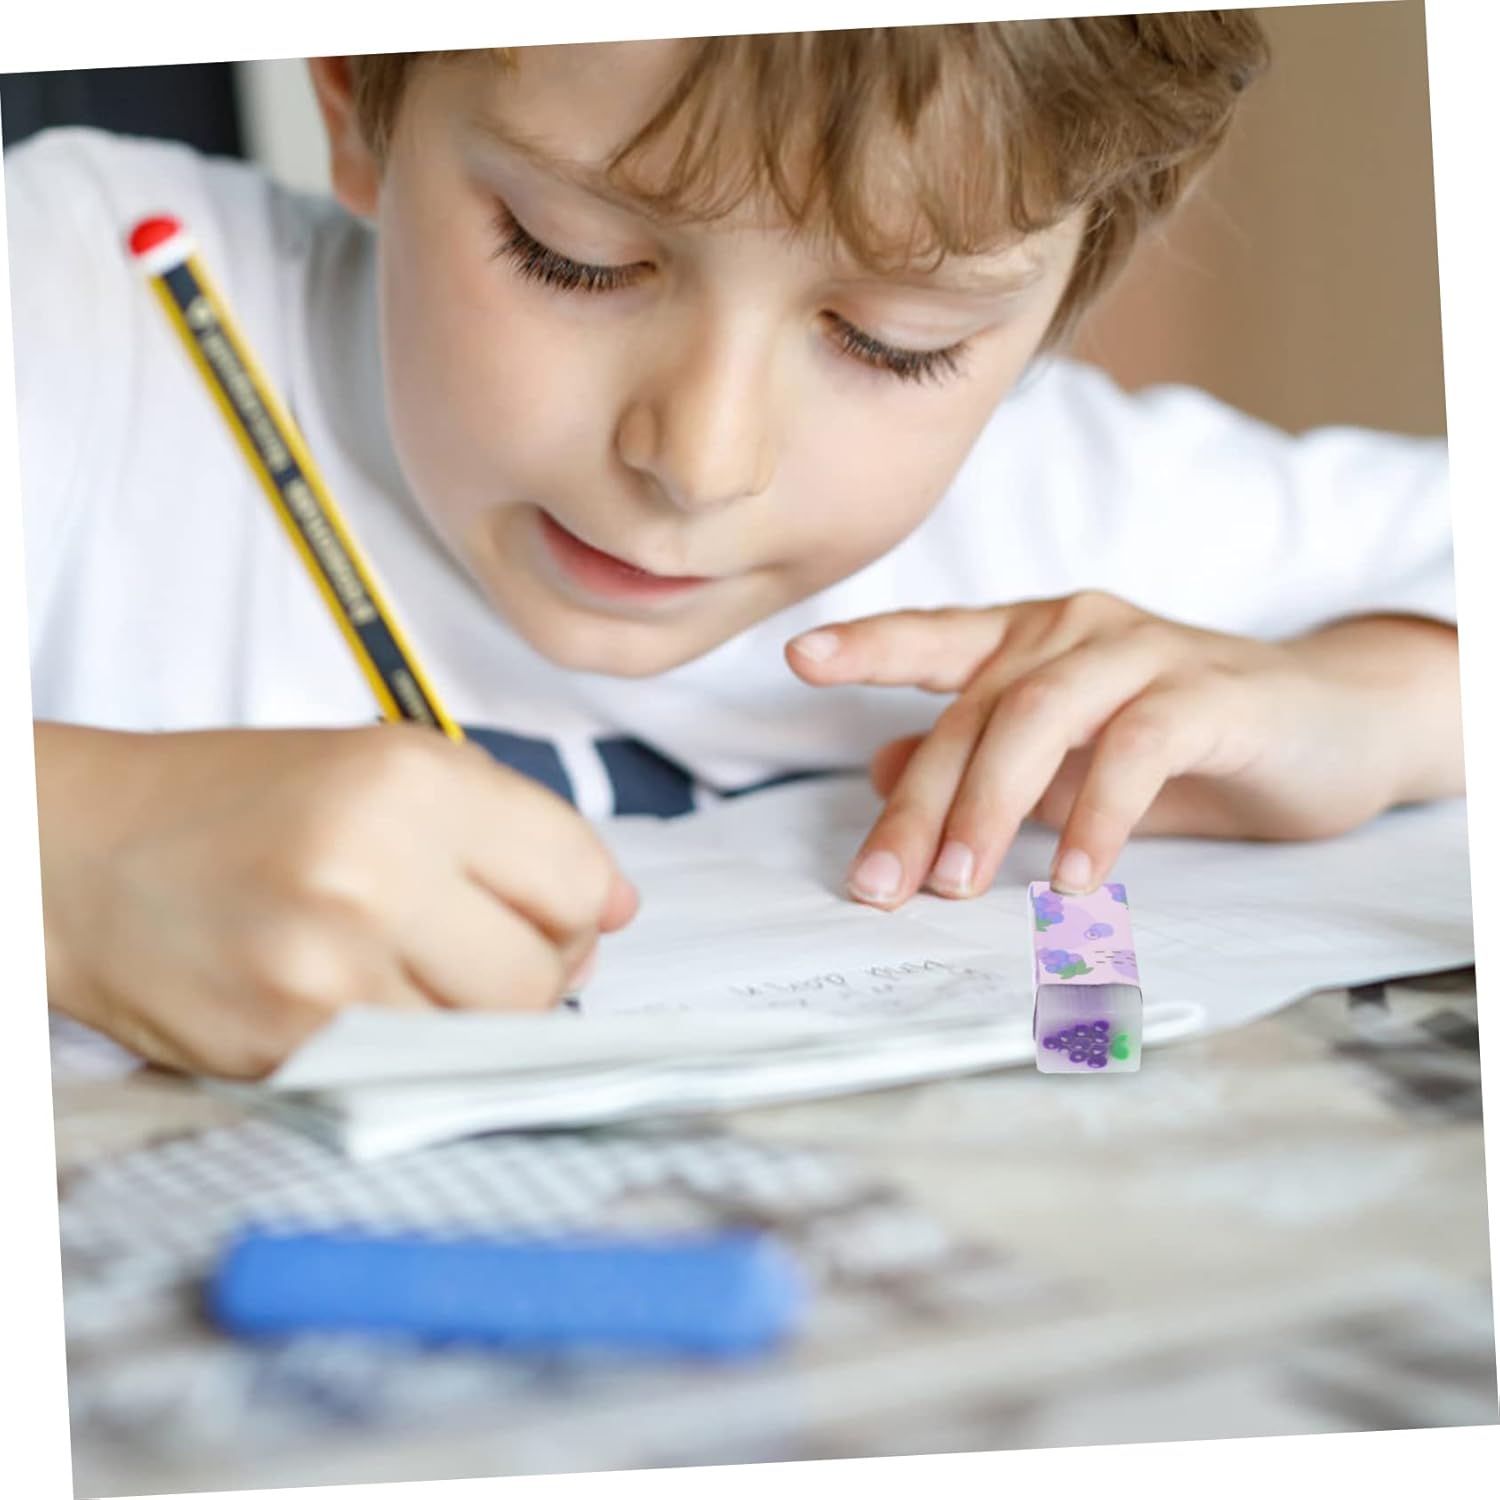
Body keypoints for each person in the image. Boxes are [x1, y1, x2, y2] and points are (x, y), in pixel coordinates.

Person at [10, 21, 1461, 1077]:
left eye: (895, 344)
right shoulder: (75, 303)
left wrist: (1367, 705)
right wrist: (68, 853)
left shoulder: (1053, 502)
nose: (699, 460)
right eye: (573, 256)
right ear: (352, 88)